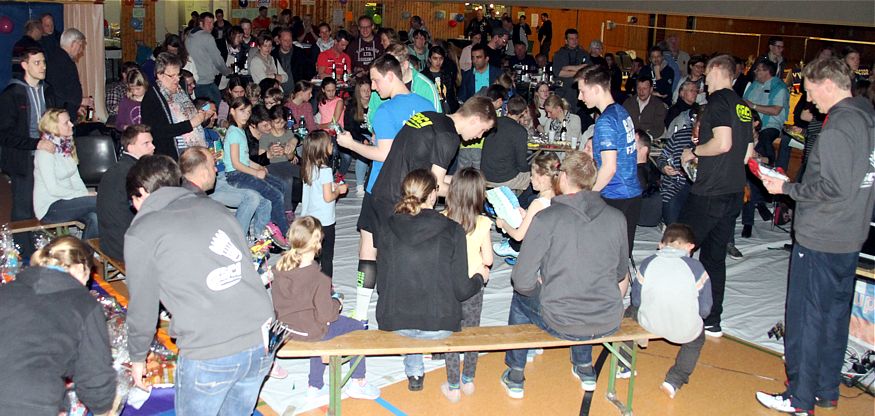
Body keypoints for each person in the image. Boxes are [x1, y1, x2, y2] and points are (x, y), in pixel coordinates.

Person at [756, 57, 875, 416]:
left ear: (827, 84)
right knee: (834, 318)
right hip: (849, 235)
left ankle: (800, 397)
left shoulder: (838, 126)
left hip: (821, 235)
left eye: (810, 91)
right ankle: (825, 389)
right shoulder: (866, 118)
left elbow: (832, 187)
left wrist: (786, 188)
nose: (808, 100)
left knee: (806, 319)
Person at [124, 155, 274, 415]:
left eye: (133, 201)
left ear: (141, 192)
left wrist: (137, 358)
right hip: (261, 338)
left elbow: (142, 306)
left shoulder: (143, 230)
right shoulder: (217, 209)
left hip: (210, 350)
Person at [500, 150, 628, 398]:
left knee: (520, 298)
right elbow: (620, 272)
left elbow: (522, 281)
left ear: (564, 177)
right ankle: (585, 367)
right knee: (582, 289)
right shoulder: (617, 218)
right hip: (607, 317)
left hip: (561, 318)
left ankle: (515, 373)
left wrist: (543, 286)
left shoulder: (547, 218)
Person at [376, 169, 487, 391]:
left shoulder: (387, 226)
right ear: (433, 195)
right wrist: (479, 278)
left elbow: (382, 284)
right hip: (439, 325)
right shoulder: (453, 230)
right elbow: (462, 290)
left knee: (410, 307)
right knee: (425, 307)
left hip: (395, 322)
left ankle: (415, 372)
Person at [678, 55, 753, 338]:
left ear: (717, 71)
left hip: (710, 192)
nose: (703, 81)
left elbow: (722, 143)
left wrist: (693, 152)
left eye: (706, 75)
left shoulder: (719, 101)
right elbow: (746, 154)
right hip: (733, 190)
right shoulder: (743, 106)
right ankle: (712, 318)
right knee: (714, 257)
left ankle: (668, 308)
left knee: (676, 248)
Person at [0, 236, 116, 415]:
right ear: (80, 267)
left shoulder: (7, 290)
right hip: (30, 402)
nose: (87, 284)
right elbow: (94, 376)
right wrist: (103, 408)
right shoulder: (83, 303)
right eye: (88, 276)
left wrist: (61, 402)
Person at [270, 216, 380, 400]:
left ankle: (315, 385)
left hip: (285, 329)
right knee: (356, 327)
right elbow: (326, 316)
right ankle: (358, 381)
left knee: (314, 325)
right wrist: (337, 303)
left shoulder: (279, 269)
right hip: (310, 331)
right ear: (317, 243)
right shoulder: (319, 278)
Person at [631, 224, 711, 398]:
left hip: (649, 322)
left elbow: (636, 299)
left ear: (661, 244)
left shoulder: (648, 263)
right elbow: (705, 308)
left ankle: (624, 364)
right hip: (684, 328)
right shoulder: (697, 268)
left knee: (628, 315)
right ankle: (674, 380)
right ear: (690, 246)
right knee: (695, 341)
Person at [576, 64, 642, 256]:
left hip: (615, 195)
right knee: (622, 254)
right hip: (632, 192)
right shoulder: (621, 112)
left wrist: (589, 194)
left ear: (596, 89)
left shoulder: (605, 121)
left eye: (582, 91)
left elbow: (609, 167)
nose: (579, 97)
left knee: (604, 255)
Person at [440, 168, 493, 402]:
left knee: (451, 333)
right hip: (473, 287)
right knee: (472, 332)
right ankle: (468, 379)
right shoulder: (482, 223)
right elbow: (488, 259)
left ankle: (453, 386)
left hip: (448, 286)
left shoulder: (441, 219)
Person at [0, 48, 56, 242]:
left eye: (44, 62)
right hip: (22, 159)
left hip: (45, 155)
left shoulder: (47, 90)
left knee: (43, 204)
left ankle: (40, 244)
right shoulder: (12, 94)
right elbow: (5, 135)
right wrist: (36, 143)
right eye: (37, 63)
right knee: (23, 207)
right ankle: (22, 249)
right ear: (24, 65)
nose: (43, 67)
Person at [224, 97, 290, 243]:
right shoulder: (234, 132)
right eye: (242, 111)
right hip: (236, 175)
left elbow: (244, 159)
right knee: (275, 194)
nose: (246, 115)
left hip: (242, 171)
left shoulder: (239, 131)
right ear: (232, 111)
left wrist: (258, 166)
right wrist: (255, 172)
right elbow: (236, 163)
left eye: (248, 112)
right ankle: (284, 232)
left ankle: (272, 225)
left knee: (279, 185)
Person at [33, 109, 98, 239]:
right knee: (101, 201)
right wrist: (84, 195)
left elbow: (76, 179)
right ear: (54, 127)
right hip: (50, 207)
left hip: (69, 201)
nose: (72, 124)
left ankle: (86, 250)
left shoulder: (66, 146)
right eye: (66, 122)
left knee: (95, 217)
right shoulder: (45, 153)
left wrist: (84, 193)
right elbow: (53, 189)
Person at [97, 124, 155, 262]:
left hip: (109, 242)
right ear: (130, 147)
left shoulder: (117, 168)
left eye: (152, 142)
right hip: (125, 246)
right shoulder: (136, 173)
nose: (153, 147)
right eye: (146, 143)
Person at [141, 52, 211, 160]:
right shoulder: (151, 97)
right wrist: (190, 124)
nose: (177, 79)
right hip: (171, 156)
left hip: (193, 149)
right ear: (160, 75)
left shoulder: (181, 89)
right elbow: (157, 131)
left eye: (178, 74)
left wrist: (201, 117)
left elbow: (189, 116)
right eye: (172, 76)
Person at [493, 152, 561, 262]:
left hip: (538, 251)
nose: (530, 178)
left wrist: (503, 224)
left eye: (533, 175)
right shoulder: (559, 197)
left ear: (542, 179)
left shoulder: (537, 204)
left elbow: (518, 236)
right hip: (551, 250)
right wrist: (526, 215)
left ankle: (515, 251)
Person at [301, 131, 348, 278]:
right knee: (327, 256)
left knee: (311, 255)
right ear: (323, 148)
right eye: (330, 143)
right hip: (325, 221)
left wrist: (331, 186)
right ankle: (326, 285)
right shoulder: (326, 170)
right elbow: (328, 198)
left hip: (310, 219)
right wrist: (339, 190)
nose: (332, 145)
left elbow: (314, 190)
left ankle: (310, 281)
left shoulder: (308, 167)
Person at [368, 43, 442, 123]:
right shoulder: (380, 85)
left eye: (394, 64)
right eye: (385, 65)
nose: (388, 70)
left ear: (405, 64)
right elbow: (372, 120)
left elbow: (437, 122)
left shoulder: (425, 86)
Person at [744, 59, 790, 170]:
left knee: (764, 138)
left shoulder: (779, 87)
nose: (755, 71)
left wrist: (753, 106)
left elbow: (776, 110)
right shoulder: (754, 85)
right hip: (751, 123)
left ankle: (768, 163)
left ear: (767, 72)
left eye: (758, 70)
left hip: (769, 125)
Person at [481, 96, 532, 191]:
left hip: (485, 175)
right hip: (504, 179)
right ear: (523, 112)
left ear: (507, 108)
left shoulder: (494, 122)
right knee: (535, 178)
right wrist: (529, 169)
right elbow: (521, 163)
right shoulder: (520, 131)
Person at [658, 107, 697, 226]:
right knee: (672, 217)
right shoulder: (680, 136)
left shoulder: (714, 142)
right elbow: (662, 157)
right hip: (676, 184)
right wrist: (664, 167)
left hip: (702, 188)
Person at [45, 28, 91, 122]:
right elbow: (57, 90)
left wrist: (76, 106)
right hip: (60, 116)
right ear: (73, 43)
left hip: (65, 112)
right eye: (80, 45)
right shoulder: (59, 61)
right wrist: (79, 101)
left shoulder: (62, 58)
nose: (81, 50)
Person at [185, 12, 230, 105]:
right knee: (214, 107)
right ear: (201, 23)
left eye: (212, 23)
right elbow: (217, 60)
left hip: (194, 81)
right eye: (209, 23)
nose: (212, 26)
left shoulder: (189, 36)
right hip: (205, 82)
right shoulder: (207, 37)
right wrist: (226, 71)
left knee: (203, 107)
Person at [423, 45, 460, 114]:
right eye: (435, 58)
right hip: (431, 109)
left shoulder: (447, 74)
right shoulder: (423, 76)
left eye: (441, 58)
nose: (438, 61)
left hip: (448, 110)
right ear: (430, 59)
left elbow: (451, 95)